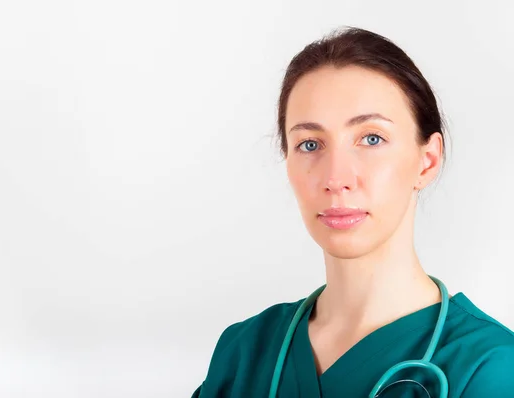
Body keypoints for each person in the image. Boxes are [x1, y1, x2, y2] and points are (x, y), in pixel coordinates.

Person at [191, 27, 514, 397]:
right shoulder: (244, 352)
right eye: (310, 144)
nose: (335, 178)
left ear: (427, 162)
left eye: (371, 139)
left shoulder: (490, 367)